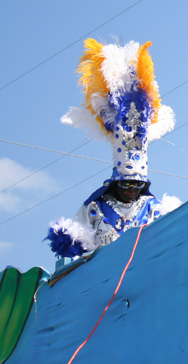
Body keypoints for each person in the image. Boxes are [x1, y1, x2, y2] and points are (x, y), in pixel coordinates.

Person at [46, 39, 179, 259]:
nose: (131, 189)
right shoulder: (95, 208)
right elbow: (73, 249)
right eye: (127, 183)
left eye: (137, 184)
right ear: (115, 182)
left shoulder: (155, 208)